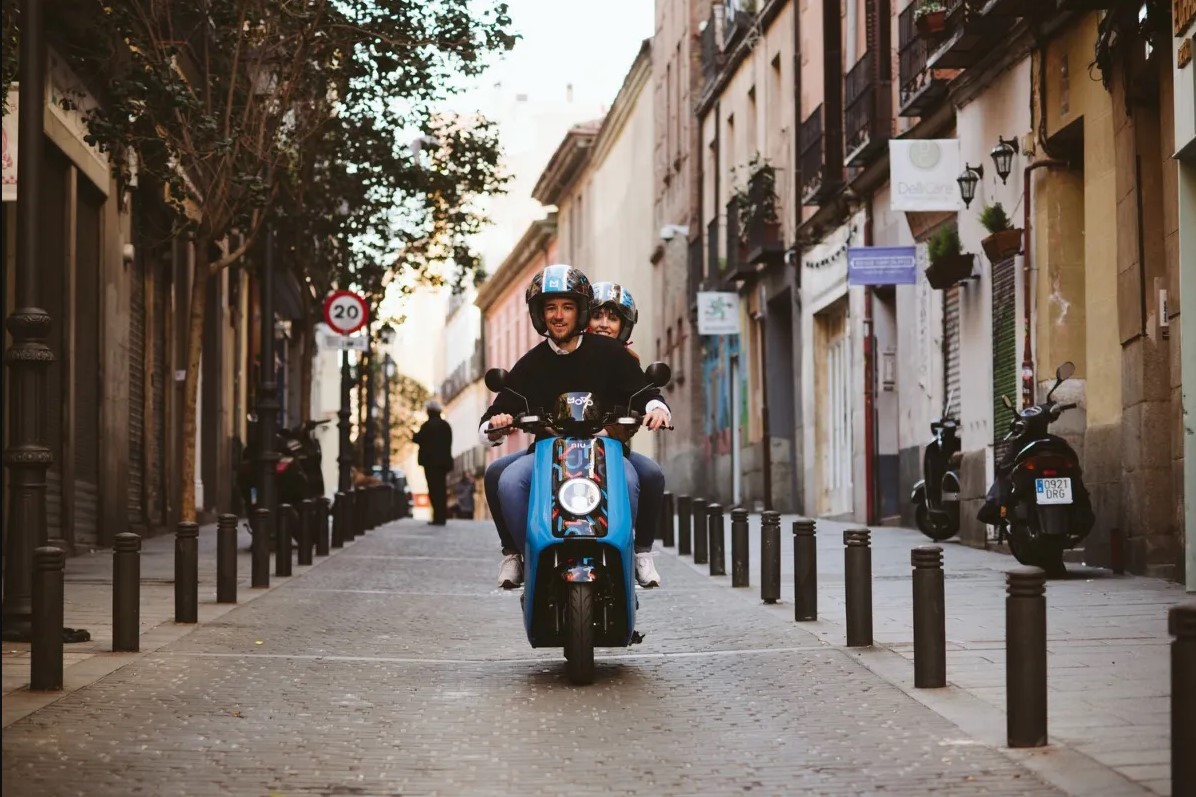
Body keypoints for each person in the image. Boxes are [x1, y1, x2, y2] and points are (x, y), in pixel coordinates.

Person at [480, 264, 672, 589]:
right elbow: (498, 411)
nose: (558, 316)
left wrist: (657, 408)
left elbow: (643, 392)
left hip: (605, 451)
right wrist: (495, 425)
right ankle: (522, 556)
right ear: (540, 315)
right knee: (508, 480)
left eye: (567, 307)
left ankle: (631, 556)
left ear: (580, 311)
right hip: (548, 451)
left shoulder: (611, 353)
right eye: (550, 308)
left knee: (632, 481)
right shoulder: (530, 363)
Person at [587, 282, 665, 587]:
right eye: (597, 315)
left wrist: (610, 429)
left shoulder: (628, 361)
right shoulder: (567, 353)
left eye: (613, 318)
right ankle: (520, 553)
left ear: (624, 325)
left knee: (649, 476)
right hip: (560, 447)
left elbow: (639, 402)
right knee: (500, 473)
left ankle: (640, 551)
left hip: (611, 448)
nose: (604, 324)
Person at [412, 399, 452, 526]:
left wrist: (413, 434)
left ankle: (437, 517)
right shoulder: (446, 425)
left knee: (434, 490)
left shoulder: (427, 426)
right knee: (441, 489)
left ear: (429, 411)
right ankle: (442, 517)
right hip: (443, 464)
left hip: (430, 464)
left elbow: (418, 439)